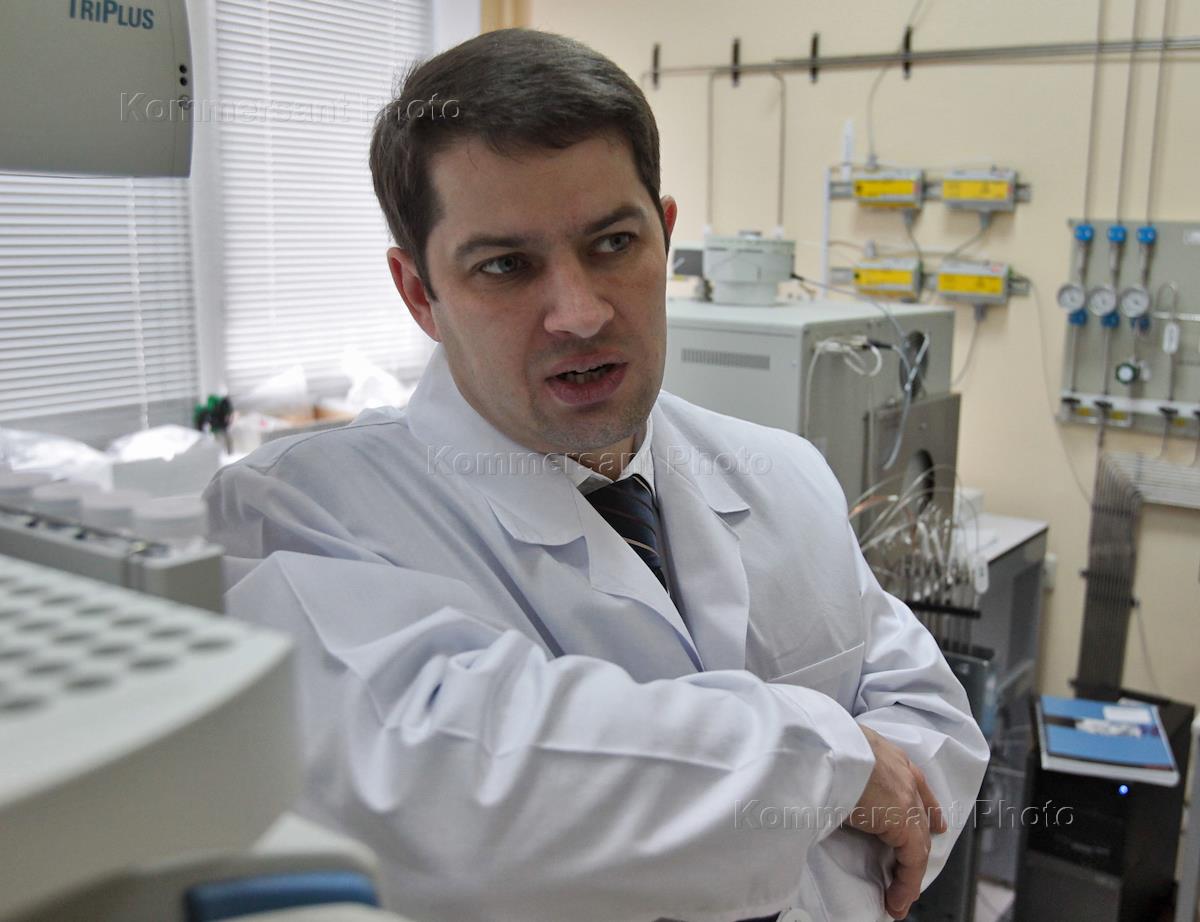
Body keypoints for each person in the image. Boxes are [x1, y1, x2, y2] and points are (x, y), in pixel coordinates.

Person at [205, 28, 989, 922]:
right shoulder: (294, 514)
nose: (579, 313)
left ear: (666, 235)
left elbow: (935, 736)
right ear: (419, 291)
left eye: (613, 243)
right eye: (506, 266)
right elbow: (458, 802)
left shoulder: (786, 474)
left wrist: (778, 832)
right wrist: (831, 765)